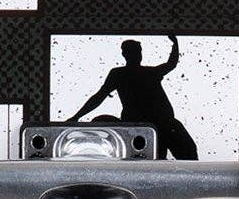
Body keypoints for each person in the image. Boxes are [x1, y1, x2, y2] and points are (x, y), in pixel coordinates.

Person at [69, 37, 199, 159]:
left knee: (188, 154)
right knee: (154, 159)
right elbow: (98, 97)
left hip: (164, 124)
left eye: (138, 51)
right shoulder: (120, 74)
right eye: (134, 52)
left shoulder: (150, 72)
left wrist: (175, 44)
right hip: (139, 127)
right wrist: (77, 116)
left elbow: (171, 63)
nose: (137, 55)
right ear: (125, 54)